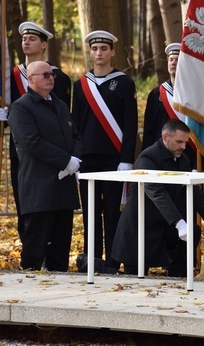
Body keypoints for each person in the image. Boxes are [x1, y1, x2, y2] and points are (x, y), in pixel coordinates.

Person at [110, 119, 204, 276]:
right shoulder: (147, 159)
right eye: (179, 142)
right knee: (135, 280)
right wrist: (179, 222)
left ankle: (181, 281)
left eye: (185, 142)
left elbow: (195, 194)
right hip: (140, 229)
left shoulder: (182, 160)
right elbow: (157, 193)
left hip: (166, 228)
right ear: (165, 138)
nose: (183, 146)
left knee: (189, 241)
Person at [72, 30, 138, 271]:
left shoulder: (124, 82)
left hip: (114, 159)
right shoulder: (80, 85)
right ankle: (92, 258)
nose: (98, 53)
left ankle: (113, 259)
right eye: (94, 48)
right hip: (87, 160)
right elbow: (75, 124)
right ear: (90, 51)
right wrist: (75, 158)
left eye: (103, 49)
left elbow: (130, 125)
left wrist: (126, 159)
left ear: (112, 52)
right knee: (90, 212)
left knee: (112, 212)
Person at [7, 61, 81, 271]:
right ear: (31, 80)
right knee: (34, 251)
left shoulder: (59, 104)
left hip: (63, 187)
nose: (51, 78)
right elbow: (32, 143)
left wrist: (74, 160)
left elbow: (76, 136)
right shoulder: (21, 107)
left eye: (52, 75)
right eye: (45, 75)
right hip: (39, 187)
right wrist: (66, 161)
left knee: (60, 252)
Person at [9, 22, 72, 241]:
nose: (26, 41)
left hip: (52, 153)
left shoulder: (58, 78)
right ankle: (29, 245)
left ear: (44, 44)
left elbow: (63, 121)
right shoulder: (11, 76)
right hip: (22, 150)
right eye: (24, 38)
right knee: (25, 204)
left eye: (32, 38)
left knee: (52, 210)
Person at [142, 42, 198, 165]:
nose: (173, 63)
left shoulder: (196, 94)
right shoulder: (156, 94)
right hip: (160, 158)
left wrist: (198, 164)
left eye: (177, 60)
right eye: (171, 59)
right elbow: (149, 131)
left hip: (188, 156)